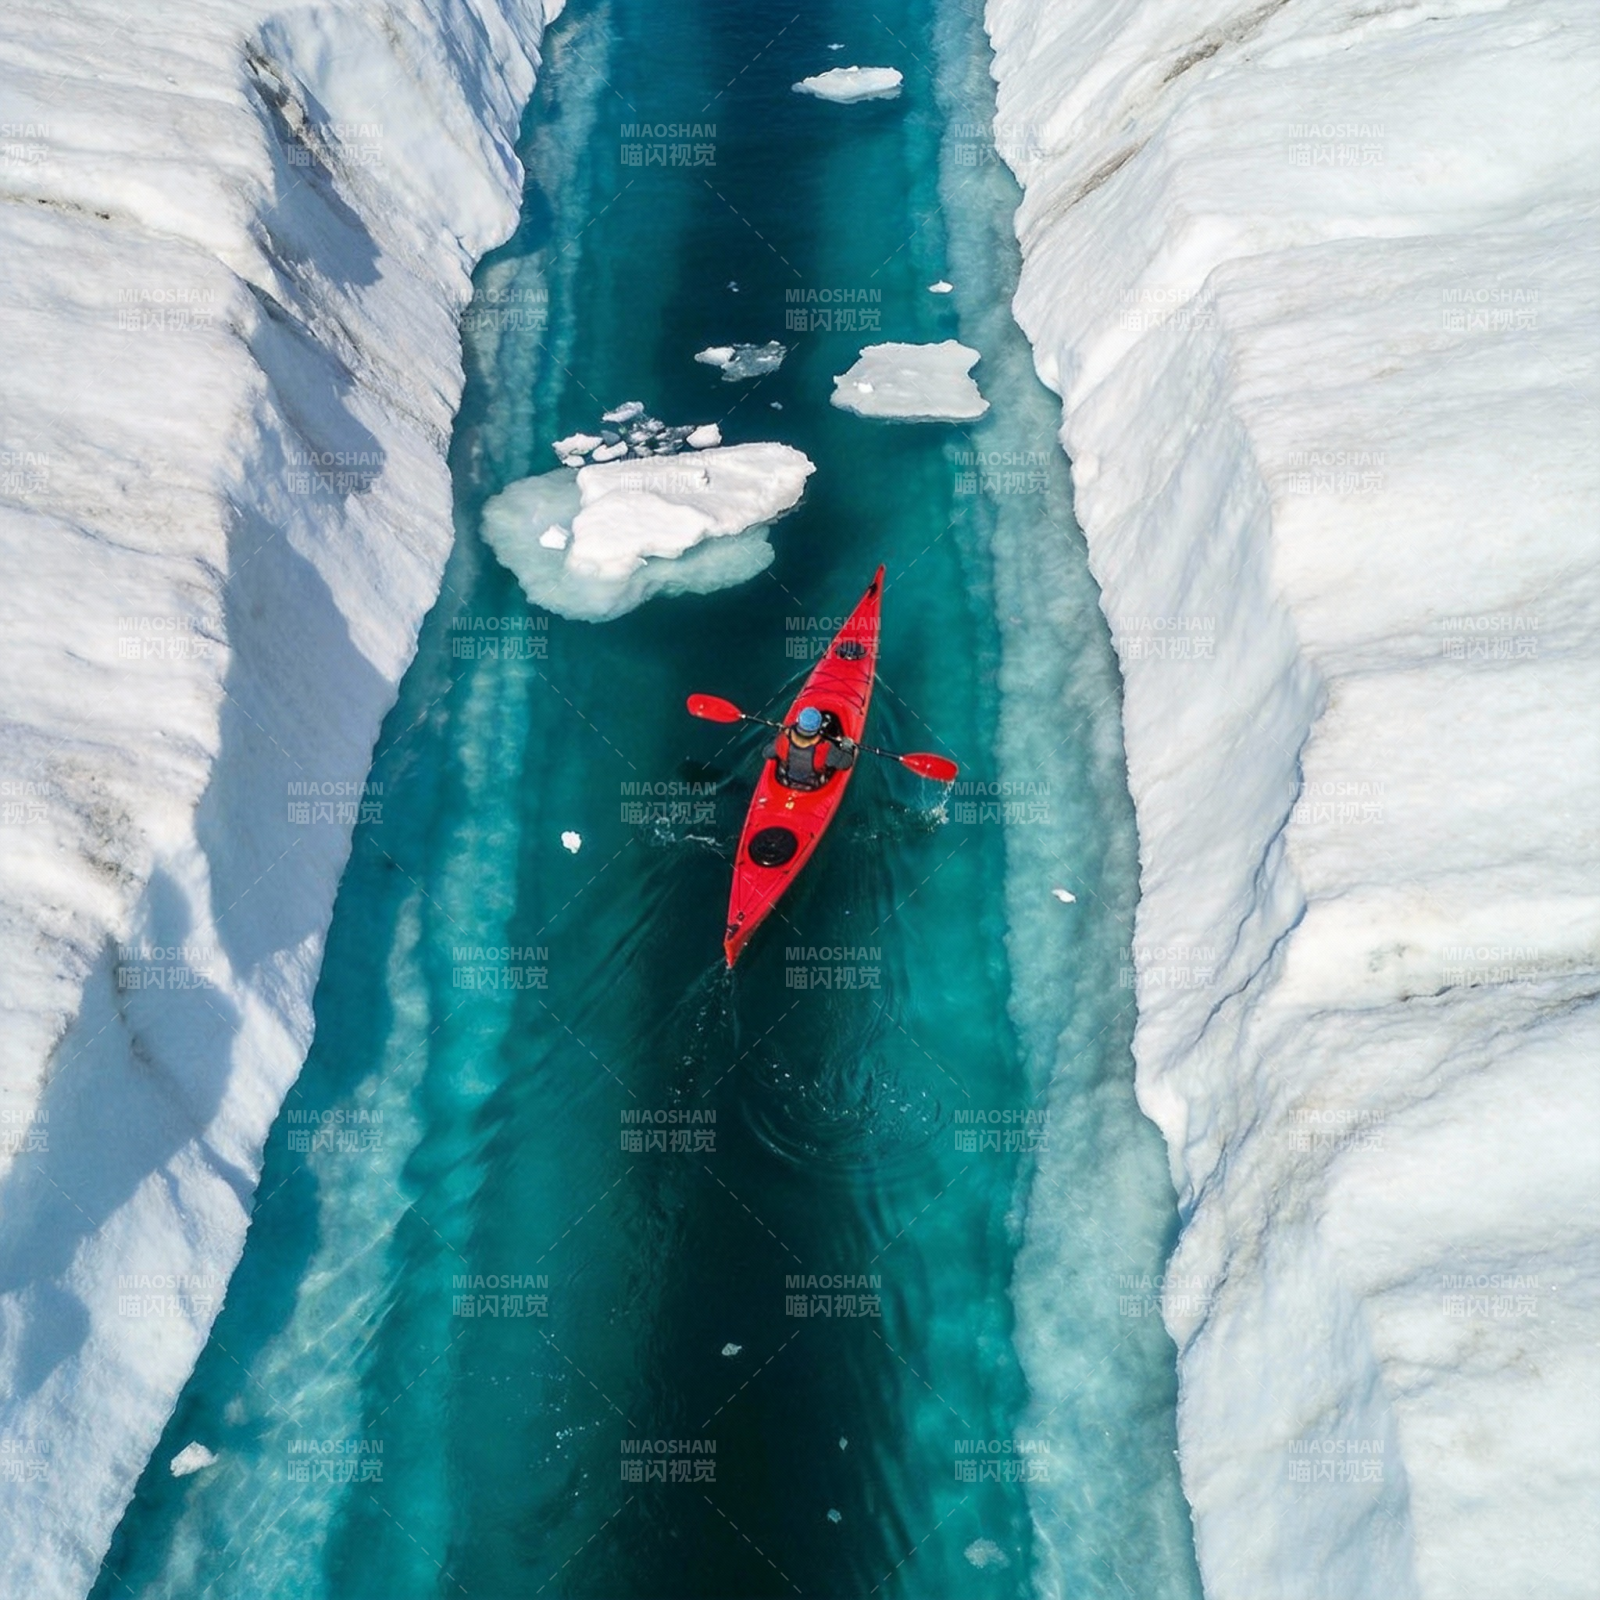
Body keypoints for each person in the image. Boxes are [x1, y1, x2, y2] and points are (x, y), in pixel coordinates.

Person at [770, 704, 856, 790]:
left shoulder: (782, 740)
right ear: (818, 728)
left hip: (787, 780)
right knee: (853, 752)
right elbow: (846, 763)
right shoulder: (825, 749)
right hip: (813, 785)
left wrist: (779, 735)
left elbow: (766, 753)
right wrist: (847, 747)